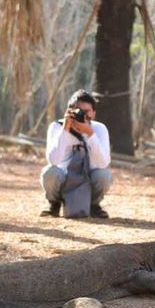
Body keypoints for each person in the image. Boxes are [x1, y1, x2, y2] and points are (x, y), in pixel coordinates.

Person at [41, 90, 113, 218]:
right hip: (63, 178)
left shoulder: (99, 129)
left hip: (88, 178)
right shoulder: (56, 127)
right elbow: (53, 161)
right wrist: (65, 131)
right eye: (78, 111)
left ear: (94, 113)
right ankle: (54, 204)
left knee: (104, 174)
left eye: (87, 111)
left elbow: (103, 163)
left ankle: (94, 205)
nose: (82, 115)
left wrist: (90, 134)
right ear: (69, 111)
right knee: (50, 171)